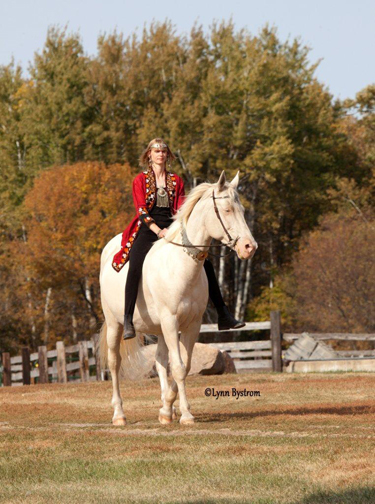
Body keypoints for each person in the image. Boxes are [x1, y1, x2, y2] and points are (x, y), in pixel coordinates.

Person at [112, 138, 245, 339]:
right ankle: (128, 318)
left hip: (173, 225)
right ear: (149, 154)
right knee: (135, 264)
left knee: (205, 263)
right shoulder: (139, 180)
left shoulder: (176, 180)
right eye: (157, 151)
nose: (161, 155)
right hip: (148, 228)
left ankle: (223, 313)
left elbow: (181, 209)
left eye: (164, 152)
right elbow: (141, 210)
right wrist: (158, 231)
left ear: (168, 155)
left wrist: (178, 229)